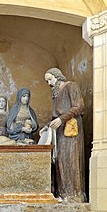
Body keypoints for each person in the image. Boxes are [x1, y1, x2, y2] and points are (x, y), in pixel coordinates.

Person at [41, 67, 86, 202]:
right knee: (60, 160)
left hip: (70, 129)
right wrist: (47, 127)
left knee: (70, 159)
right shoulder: (55, 93)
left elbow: (79, 107)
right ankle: (63, 193)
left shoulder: (71, 86)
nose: (49, 83)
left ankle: (74, 195)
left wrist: (62, 119)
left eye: (50, 79)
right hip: (60, 131)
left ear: (57, 76)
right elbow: (56, 115)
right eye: (47, 81)